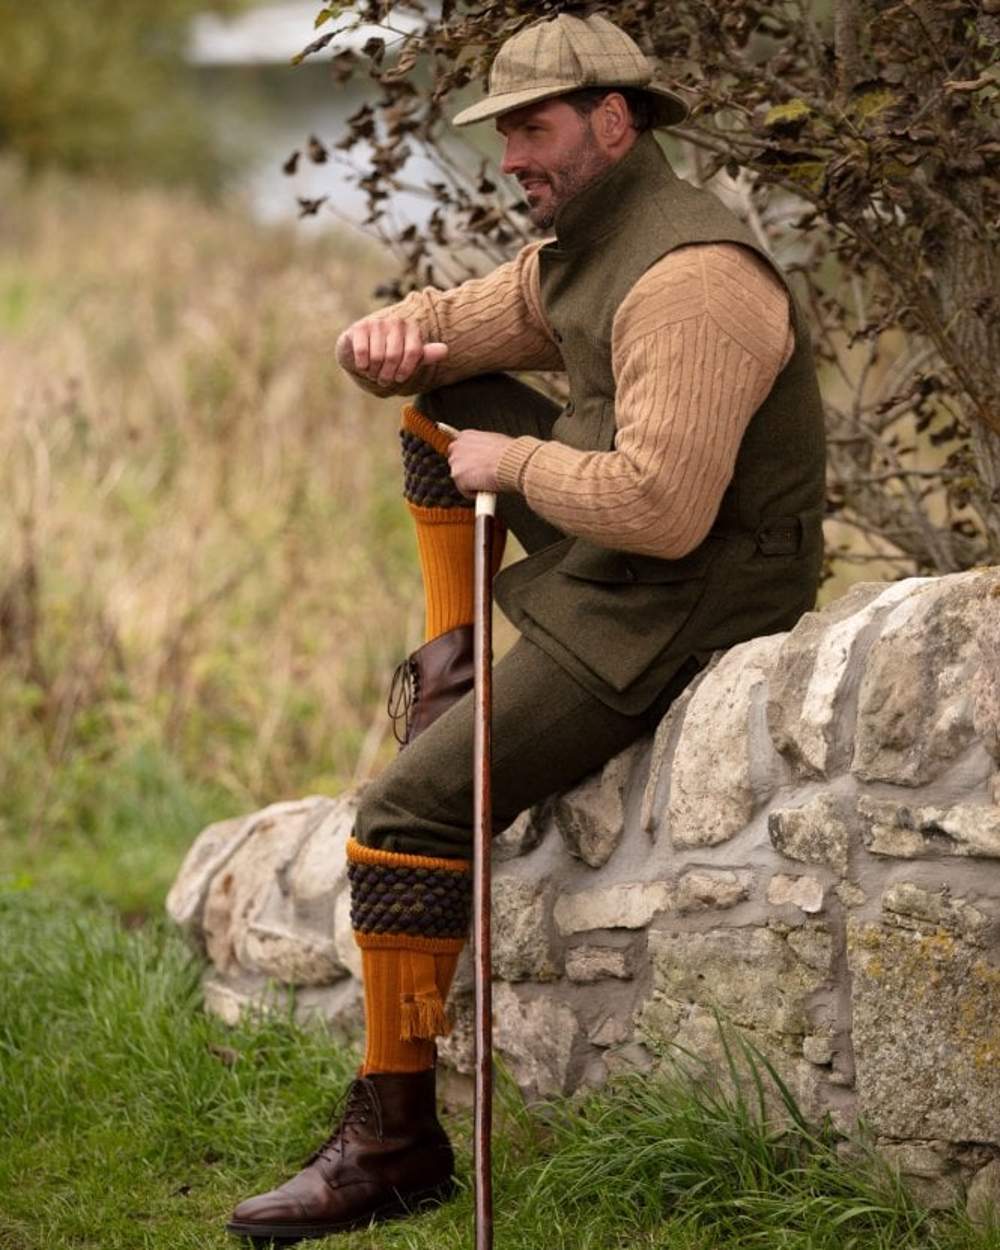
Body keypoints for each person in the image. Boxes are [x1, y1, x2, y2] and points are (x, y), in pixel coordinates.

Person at [226, 12, 826, 1242]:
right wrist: (379, 341)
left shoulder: (693, 278)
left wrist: (523, 456)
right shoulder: (578, 246)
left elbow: (660, 509)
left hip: (686, 594)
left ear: (614, 121)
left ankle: (395, 1144)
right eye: (502, 132)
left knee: (403, 811)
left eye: (533, 128)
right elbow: (446, 334)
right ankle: (453, 671)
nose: (510, 158)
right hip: (632, 558)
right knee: (439, 405)